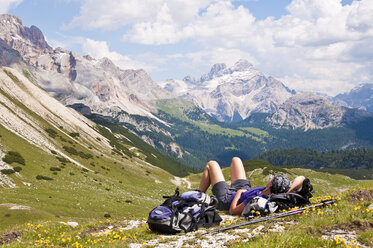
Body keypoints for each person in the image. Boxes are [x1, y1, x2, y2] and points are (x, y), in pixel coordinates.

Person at [198, 157, 305, 215]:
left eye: (271, 179)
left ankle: (196, 198)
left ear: (271, 184)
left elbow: (232, 211)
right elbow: (302, 178)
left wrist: (239, 193)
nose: (269, 179)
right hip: (244, 189)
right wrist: (286, 192)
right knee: (236, 160)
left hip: (227, 199)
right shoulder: (272, 191)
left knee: (212, 164)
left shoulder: (254, 199)